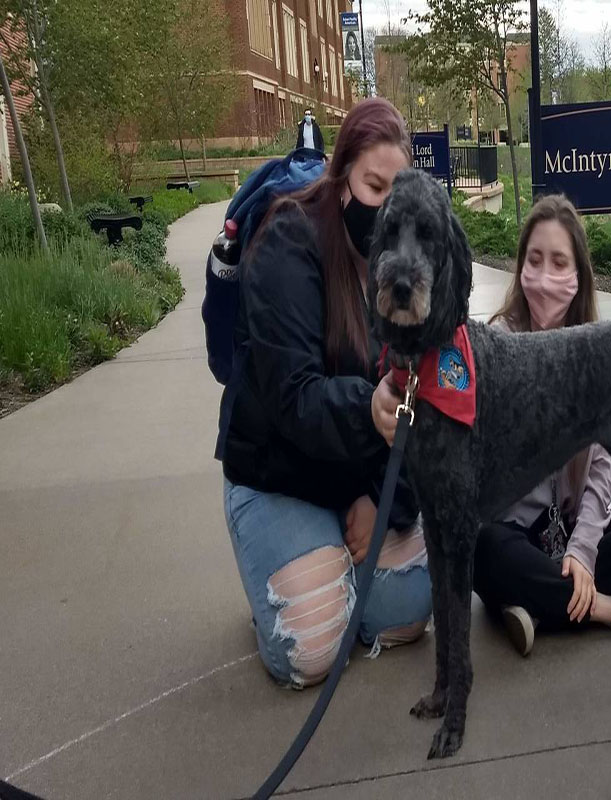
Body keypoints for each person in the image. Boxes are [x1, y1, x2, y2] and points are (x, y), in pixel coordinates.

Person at [217, 98, 431, 688]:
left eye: (397, 193)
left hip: (354, 469)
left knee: (408, 614)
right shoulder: (288, 239)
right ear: (341, 181)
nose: (383, 206)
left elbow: (423, 401)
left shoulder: (404, 267)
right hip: (278, 473)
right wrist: (368, 410)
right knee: (309, 652)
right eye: (372, 185)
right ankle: (282, 577)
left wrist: (378, 494)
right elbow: (294, 398)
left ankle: (327, 562)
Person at [468, 194, 611, 656]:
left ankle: (535, 608)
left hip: (563, 534)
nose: (544, 277)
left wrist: (582, 551)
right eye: (535, 260)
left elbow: (604, 471)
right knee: (482, 547)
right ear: (520, 266)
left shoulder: (601, 356)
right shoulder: (496, 346)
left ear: (578, 275)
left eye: (559, 262)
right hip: (508, 534)